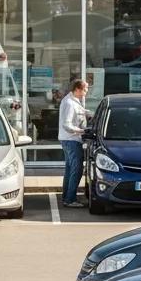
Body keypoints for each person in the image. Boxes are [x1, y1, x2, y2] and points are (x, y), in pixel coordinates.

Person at [59, 79, 89, 208]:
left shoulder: (72, 101)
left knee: (70, 169)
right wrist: (82, 131)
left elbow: (81, 112)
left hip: (68, 139)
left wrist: (89, 113)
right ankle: (70, 199)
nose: (86, 92)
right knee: (76, 170)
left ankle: (66, 196)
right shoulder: (70, 103)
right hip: (71, 139)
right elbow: (67, 124)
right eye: (85, 89)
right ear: (78, 89)